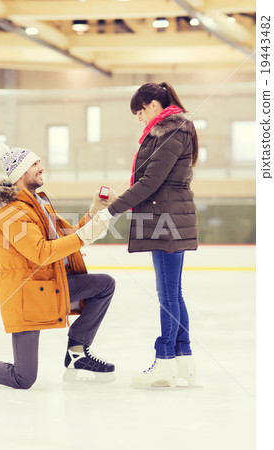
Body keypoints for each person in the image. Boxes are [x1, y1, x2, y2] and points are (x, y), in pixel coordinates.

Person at [0, 143, 116, 389]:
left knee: (103, 285)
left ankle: (77, 353)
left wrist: (96, 211)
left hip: (50, 286)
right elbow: (41, 252)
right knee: (23, 377)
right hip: (26, 295)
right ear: (21, 173)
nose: (42, 168)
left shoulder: (37, 203)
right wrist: (82, 237)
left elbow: (69, 235)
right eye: (35, 164)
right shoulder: (9, 211)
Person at [98, 82, 198, 388]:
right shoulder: (168, 131)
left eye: (140, 112)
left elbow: (151, 181)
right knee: (173, 293)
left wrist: (111, 211)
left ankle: (165, 362)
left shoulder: (172, 131)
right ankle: (185, 364)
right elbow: (151, 179)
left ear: (154, 105)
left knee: (168, 295)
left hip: (165, 219)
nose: (140, 119)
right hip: (165, 216)